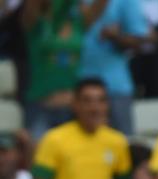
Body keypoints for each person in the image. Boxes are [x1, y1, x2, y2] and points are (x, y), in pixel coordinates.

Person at [20, 0, 109, 139]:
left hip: (72, 109)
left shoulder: (78, 24)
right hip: (41, 105)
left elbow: (100, 5)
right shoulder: (36, 24)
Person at [78, 0, 150, 135]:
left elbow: (140, 41)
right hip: (70, 87)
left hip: (116, 87)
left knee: (122, 144)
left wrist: (116, 37)